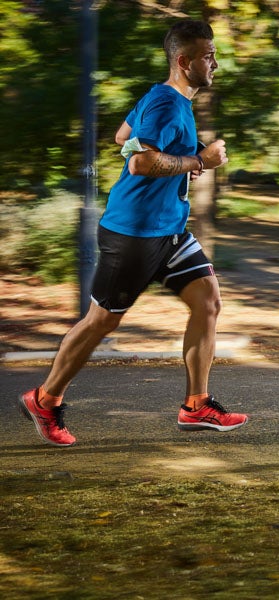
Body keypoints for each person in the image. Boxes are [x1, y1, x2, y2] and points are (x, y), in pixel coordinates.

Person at [18, 20, 248, 447]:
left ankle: (196, 405)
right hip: (135, 233)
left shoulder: (164, 98)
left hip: (170, 229)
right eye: (208, 55)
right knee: (101, 322)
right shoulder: (165, 104)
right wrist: (199, 161)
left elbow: (124, 137)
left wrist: (176, 162)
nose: (215, 63)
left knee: (208, 301)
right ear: (184, 61)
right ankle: (44, 400)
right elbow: (139, 162)